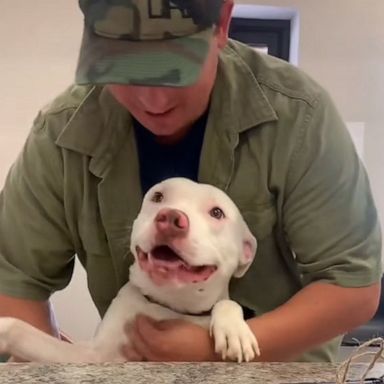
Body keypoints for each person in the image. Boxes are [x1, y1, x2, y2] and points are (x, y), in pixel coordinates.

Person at [0, 0, 381, 363]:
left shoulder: (300, 117)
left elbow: (352, 286)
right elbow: (14, 280)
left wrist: (212, 354)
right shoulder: (62, 132)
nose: (152, 98)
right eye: (122, 65)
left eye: (174, 67)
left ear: (222, 23)